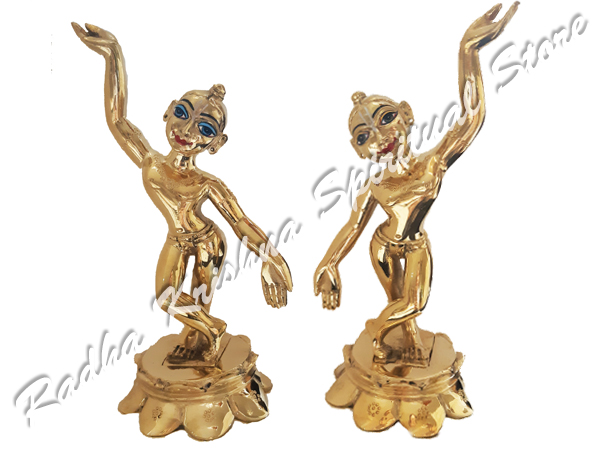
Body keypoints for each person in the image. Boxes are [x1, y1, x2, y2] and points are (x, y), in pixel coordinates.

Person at [73, 23, 292, 363]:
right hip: (176, 238)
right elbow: (117, 119)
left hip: (209, 242)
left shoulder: (206, 183)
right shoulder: (151, 162)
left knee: (199, 302)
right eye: (182, 114)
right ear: (168, 110)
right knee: (167, 298)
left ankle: (203, 342)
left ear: (216, 144)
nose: (187, 131)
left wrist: (271, 258)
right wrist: (112, 53)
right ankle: (214, 330)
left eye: (204, 128)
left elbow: (240, 222)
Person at [314, 3, 518, 365]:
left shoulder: (433, 162)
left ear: (407, 115)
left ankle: (376, 332)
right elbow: (352, 227)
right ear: (359, 150)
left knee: (413, 303)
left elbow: (471, 117)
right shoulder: (373, 186)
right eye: (364, 136)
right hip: (383, 247)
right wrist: (329, 263)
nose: (381, 137)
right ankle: (404, 338)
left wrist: (467, 51)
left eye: (386, 119)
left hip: (416, 245)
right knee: (398, 305)